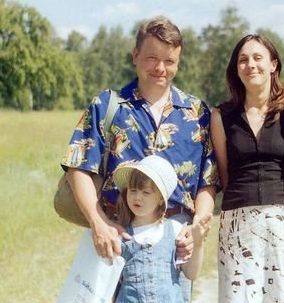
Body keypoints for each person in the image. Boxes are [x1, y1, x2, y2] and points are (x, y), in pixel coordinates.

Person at [60, 17, 218, 301]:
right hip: (118, 242)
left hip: (174, 247)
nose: (160, 68)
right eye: (152, 58)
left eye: (169, 61)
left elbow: (208, 181)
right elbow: (78, 166)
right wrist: (98, 223)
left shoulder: (197, 113)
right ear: (135, 55)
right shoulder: (108, 105)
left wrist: (196, 227)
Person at [211, 34, 284, 302]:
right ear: (236, 69)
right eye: (243, 60)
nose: (251, 65)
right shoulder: (221, 116)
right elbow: (225, 173)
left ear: (273, 65)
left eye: (258, 58)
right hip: (238, 224)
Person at [112, 155, 211, 303]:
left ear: (160, 199)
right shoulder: (121, 235)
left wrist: (198, 243)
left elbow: (191, 273)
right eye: (133, 190)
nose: (137, 197)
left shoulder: (175, 230)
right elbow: (110, 283)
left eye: (146, 192)